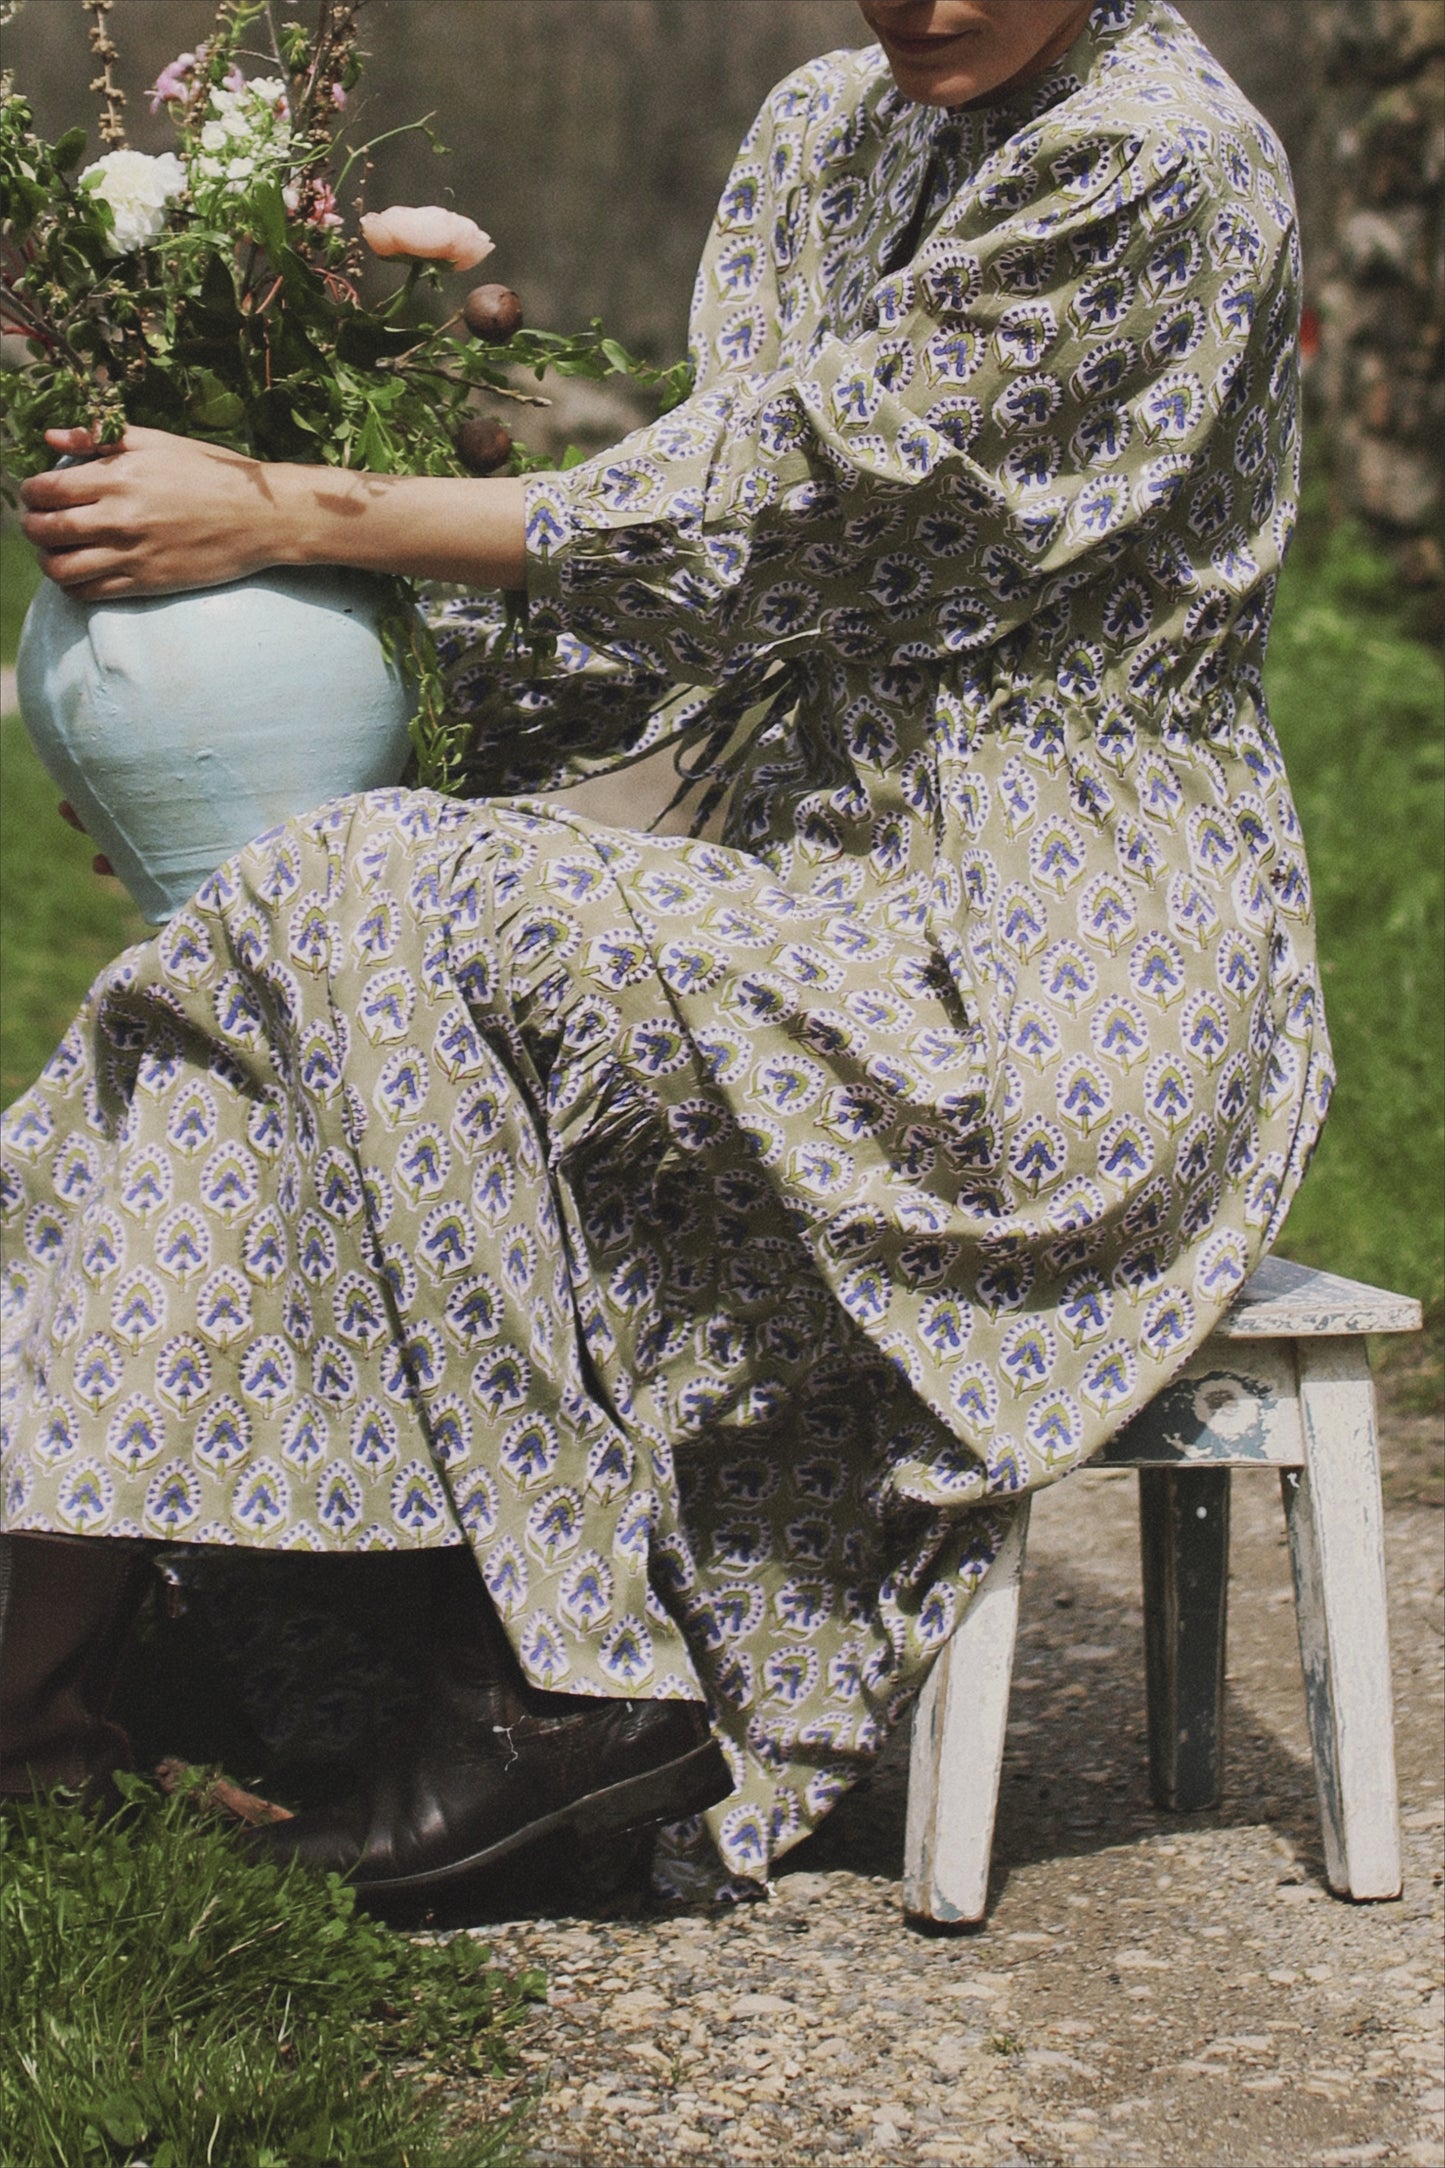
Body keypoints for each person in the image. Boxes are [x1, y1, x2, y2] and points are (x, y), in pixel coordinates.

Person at [1, 0, 1330, 1909]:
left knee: (365, 898)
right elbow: (691, 594)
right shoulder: (822, 126)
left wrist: (298, 513)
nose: (925, 0)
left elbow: (794, 514)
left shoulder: (1153, 159)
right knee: (293, 920)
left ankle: (553, 1678)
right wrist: (286, 721)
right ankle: (80, 1681)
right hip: (812, 886)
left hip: (1051, 978)